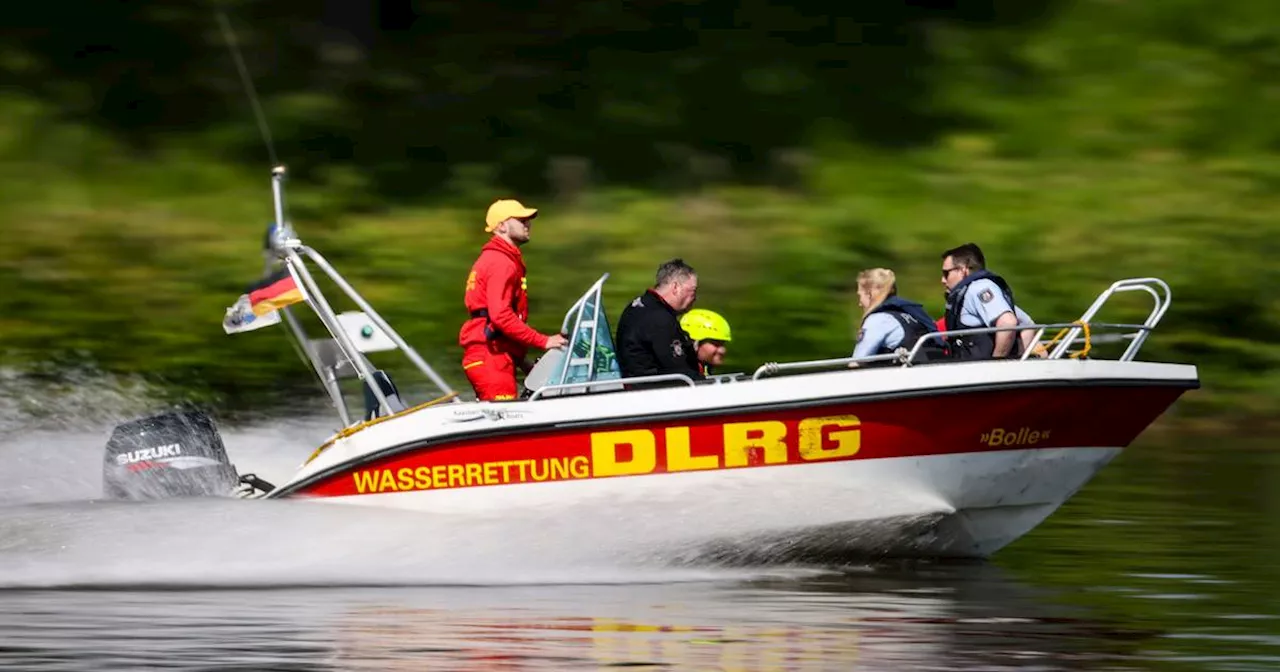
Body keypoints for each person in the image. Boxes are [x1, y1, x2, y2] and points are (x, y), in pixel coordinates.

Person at [458, 198, 567, 401]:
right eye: (521, 219)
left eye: (528, 219)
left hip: (494, 354)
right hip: (491, 358)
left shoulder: (499, 258)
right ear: (501, 226)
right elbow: (500, 316)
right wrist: (544, 341)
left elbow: (494, 322)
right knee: (503, 420)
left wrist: (523, 362)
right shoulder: (501, 263)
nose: (527, 224)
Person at [615, 258, 704, 381]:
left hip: (635, 383)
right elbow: (680, 370)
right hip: (651, 390)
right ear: (675, 288)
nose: (695, 298)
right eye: (693, 291)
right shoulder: (660, 319)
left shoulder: (639, 305)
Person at [939, 242, 1029, 360]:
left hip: (982, 372)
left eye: (946, 273)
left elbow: (1008, 323)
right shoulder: (974, 292)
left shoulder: (978, 288)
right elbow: (1027, 325)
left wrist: (997, 363)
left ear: (963, 270)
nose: (943, 280)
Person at [850, 268, 941, 366]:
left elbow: (857, 362)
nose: (859, 303)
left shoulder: (878, 319)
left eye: (860, 296)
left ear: (870, 294)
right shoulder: (912, 314)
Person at [679, 308, 732, 376]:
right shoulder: (680, 376)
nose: (722, 351)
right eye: (716, 344)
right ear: (693, 344)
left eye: (723, 344)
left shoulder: (700, 371)